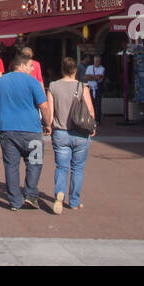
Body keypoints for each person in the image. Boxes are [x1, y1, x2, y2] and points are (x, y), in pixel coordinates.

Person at [0, 53, 51, 210]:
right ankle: (30, 194)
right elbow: (43, 105)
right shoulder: (33, 82)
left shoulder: (0, 82)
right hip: (31, 130)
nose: (32, 68)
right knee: (35, 163)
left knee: (11, 165)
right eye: (31, 65)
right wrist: (48, 123)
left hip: (7, 130)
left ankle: (15, 201)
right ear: (22, 65)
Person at [48, 57, 96, 213]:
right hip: (81, 133)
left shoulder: (53, 87)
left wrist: (49, 127)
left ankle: (59, 194)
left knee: (62, 167)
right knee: (77, 168)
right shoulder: (83, 87)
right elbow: (90, 111)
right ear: (75, 70)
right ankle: (74, 201)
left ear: (62, 69)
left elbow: (50, 113)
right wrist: (93, 126)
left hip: (61, 132)